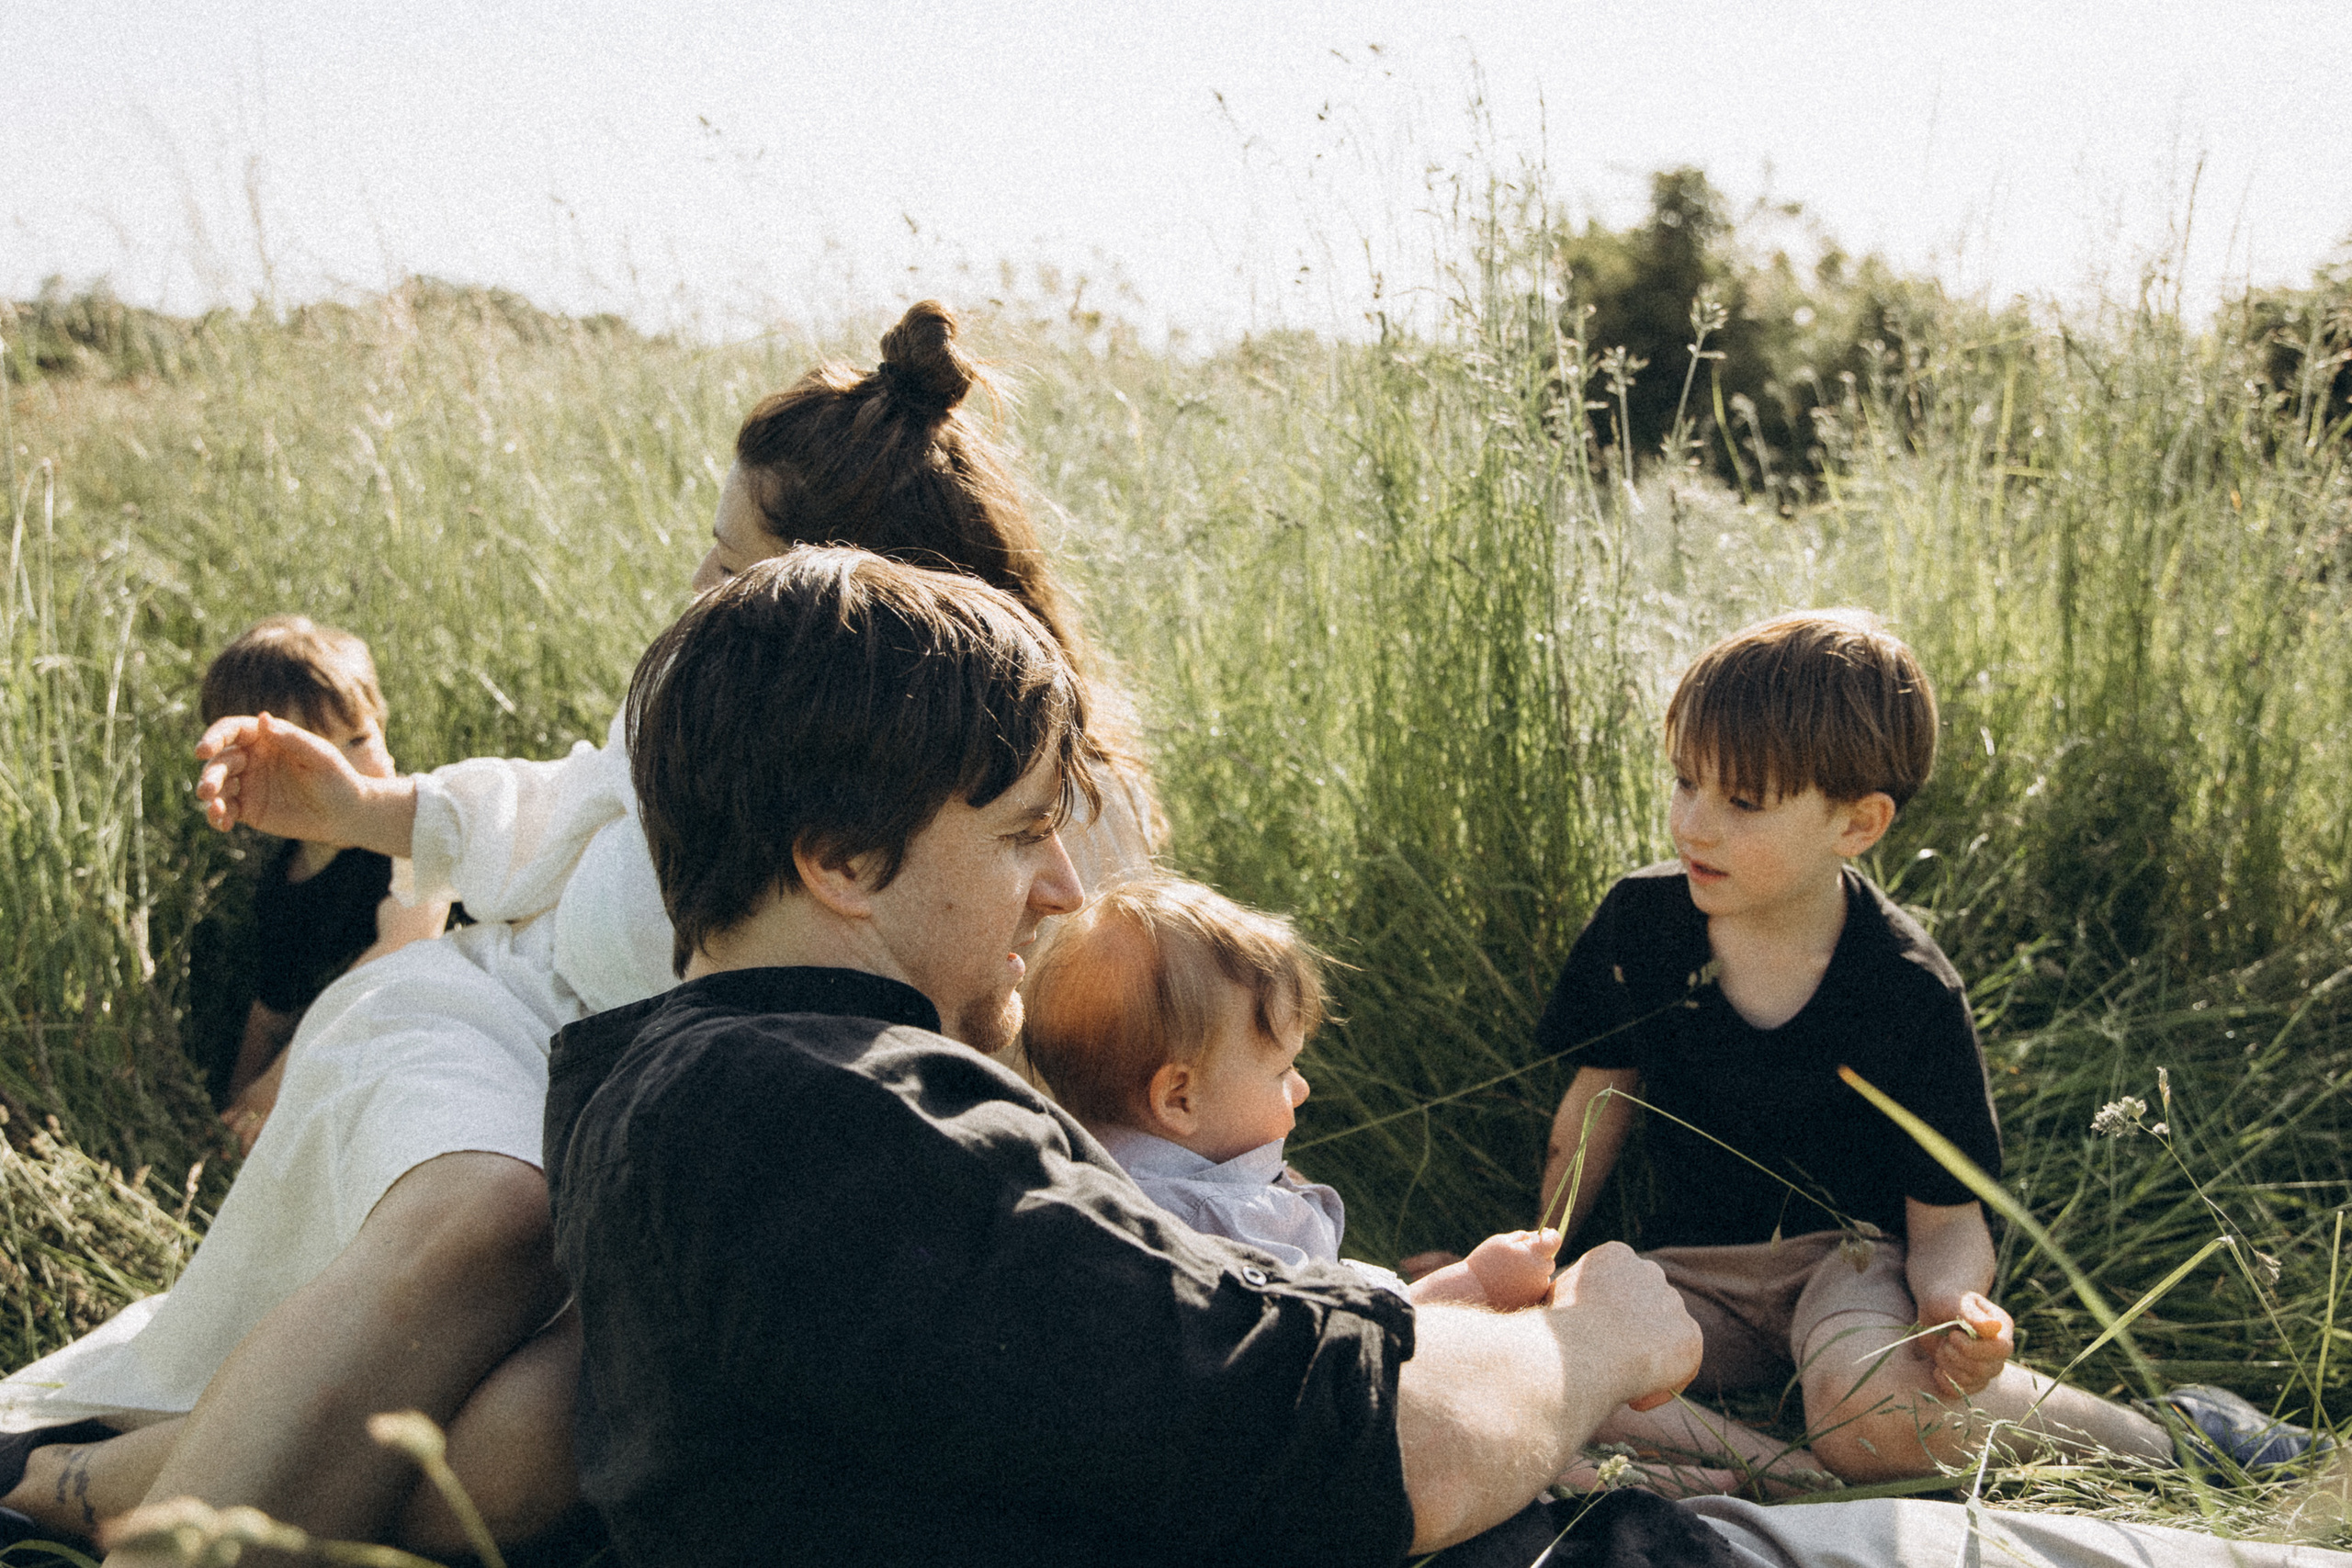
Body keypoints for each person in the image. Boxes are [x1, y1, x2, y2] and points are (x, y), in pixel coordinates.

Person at [551, 548, 2348, 1568]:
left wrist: (1436, 1311)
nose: (1067, 884)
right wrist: (1582, 1334)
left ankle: (2177, 1451)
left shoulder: (714, 1102)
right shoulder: (799, 1115)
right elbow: (1329, 1445)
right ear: (841, 857)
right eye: (1020, 829)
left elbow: (1124, 1365)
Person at [0, 301, 1157, 1560]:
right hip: (490, 1031)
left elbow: (1050, 1039)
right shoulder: (714, 691)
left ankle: (75, 1479)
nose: (698, 595)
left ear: (858, 606)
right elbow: (554, 804)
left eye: (732, 569)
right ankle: (111, 1505)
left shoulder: (1042, 807)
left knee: (544, 1422)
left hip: (690, 1155)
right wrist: (360, 805)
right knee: (502, 1206)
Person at [1528, 609, 2317, 1492]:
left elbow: (1947, 1221)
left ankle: (2178, 1438)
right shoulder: (1643, 921)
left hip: (1855, 1264)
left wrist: (1951, 1308)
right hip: (1697, 1274)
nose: (1693, 823)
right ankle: (1778, 1476)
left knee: (1868, 1412)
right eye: (1684, 782)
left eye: (1742, 801)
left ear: (1857, 823)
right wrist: (1539, 1250)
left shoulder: (1906, 986)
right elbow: (1600, 1104)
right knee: (1541, 1343)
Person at [1022, 874, 1560, 1310]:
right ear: (1179, 1099)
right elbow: (1336, 1339)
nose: (1301, 1088)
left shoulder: (1081, 1175)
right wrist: (1473, 1286)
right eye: (1282, 1071)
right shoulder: (1218, 1219)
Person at [194, 616, 455, 1155]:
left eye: (360, 738)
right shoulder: (286, 883)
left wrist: (275, 1086)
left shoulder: (410, 828)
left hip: (451, 1013)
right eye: (315, 756)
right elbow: (273, 1009)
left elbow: (402, 947)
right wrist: (237, 1100)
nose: (351, 769)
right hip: (366, 1038)